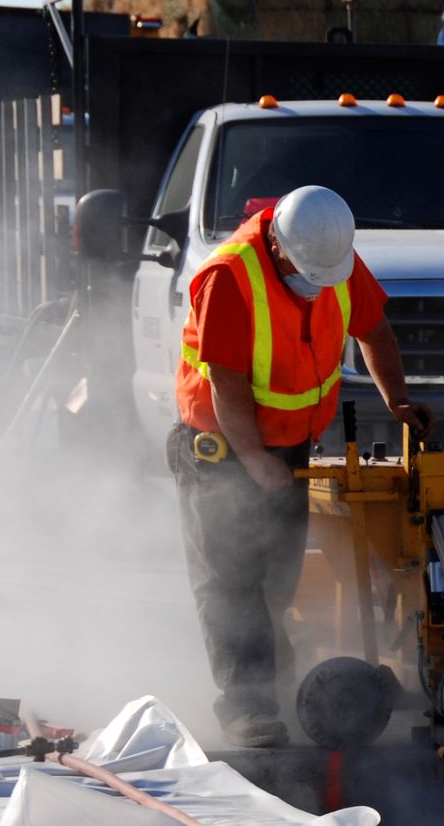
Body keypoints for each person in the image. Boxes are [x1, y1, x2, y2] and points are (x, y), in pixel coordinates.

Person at [171, 185, 428, 748]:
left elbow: (373, 330)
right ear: (281, 247)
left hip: (286, 449)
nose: (318, 285)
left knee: (275, 580)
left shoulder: (331, 255)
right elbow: (226, 382)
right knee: (231, 581)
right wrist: (254, 458)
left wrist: (398, 401)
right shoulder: (230, 278)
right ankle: (247, 707)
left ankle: (275, 686)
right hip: (220, 448)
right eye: (308, 272)